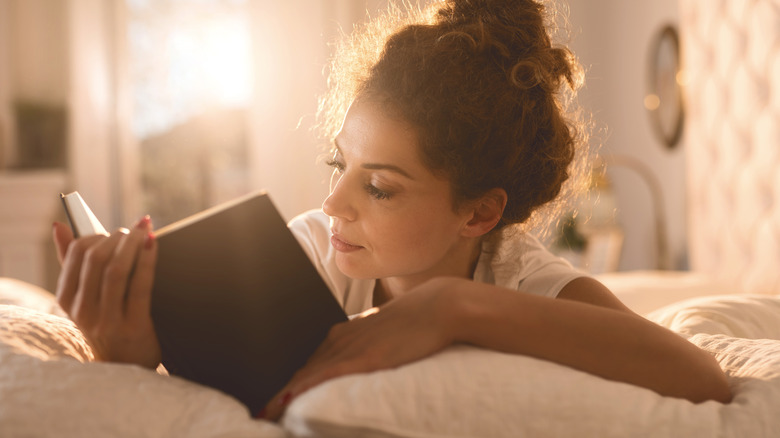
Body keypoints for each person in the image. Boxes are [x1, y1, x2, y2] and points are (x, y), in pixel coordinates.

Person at [52, 0, 732, 422]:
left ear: (478, 215)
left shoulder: (523, 278)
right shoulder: (316, 251)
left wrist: (449, 309)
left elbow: (702, 378)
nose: (332, 203)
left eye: (379, 188)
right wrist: (130, 359)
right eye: (337, 165)